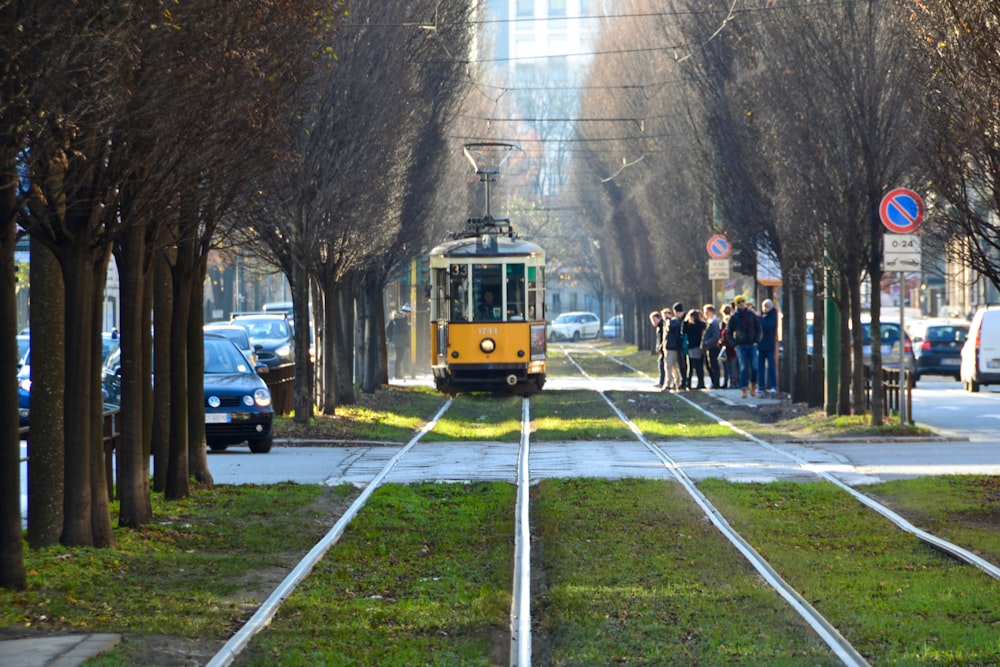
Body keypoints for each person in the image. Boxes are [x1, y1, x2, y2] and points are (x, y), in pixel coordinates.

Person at [725, 295, 763, 398]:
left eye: (743, 302)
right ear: (737, 304)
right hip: (741, 345)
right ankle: (744, 388)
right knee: (743, 368)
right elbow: (728, 333)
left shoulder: (752, 315)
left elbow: (759, 329)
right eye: (739, 302)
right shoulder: (734, 317)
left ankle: (753, 384)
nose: (742, 304)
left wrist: (756, 341)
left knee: (755, 367)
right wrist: (734, 344)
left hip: (752, 344)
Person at [757, 298, 779, 394]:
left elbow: (767, 325)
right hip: (761, 345)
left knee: (771, 366)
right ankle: (761, 386)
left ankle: (773, 385)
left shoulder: (773, 315)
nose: (764, 309)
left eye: (766, 307)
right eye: (763, 307)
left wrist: (760, 318)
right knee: (760, 367)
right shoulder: (762, 316)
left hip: (769, 345)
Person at [683, 309, 707, 389]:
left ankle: (688, 383)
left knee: (691, 366)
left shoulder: (688, 325)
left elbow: (683, 331)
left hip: (692, 347)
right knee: (699, 366)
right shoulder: (702, 324)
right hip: (699, 346)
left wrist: (686, 321)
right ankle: (701, 382)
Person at [386, 307, 411, 379]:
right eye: (408, 313)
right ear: (405, 312)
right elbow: (405, 330)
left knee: (398, 358)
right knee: (399, 358)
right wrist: (409, 327)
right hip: (401, 342)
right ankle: (397, 374)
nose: (409, 314)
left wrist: (391, 338)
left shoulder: (395, 319)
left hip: (397, 342)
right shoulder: (402, 319)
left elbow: (387, 329)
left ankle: (397, 373)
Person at [664, 304, 684, 390]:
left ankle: (668, 383)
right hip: (673, 346)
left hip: (672, 346)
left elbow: (670, 329)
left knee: (669, 366)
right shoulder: (677, 320)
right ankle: (677, 382)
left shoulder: (674, 321)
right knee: (673, 366)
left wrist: (668, 321)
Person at [701, 304, 722, 389]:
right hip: (708, 347)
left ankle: (716, 382)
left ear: (711, 312)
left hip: (713, 347)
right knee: (709, 365)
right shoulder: (708, 322)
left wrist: (707, 342)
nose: (705, 314)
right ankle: (713, 381)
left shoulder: (714, 322)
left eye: (706, 312)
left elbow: (716, 335)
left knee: (714, 365)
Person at [719, 303, 737, 388]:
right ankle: (731, 382)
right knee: (731, 366)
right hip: (730, 347)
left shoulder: (725, 324)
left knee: (729, 366)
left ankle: (730, 382)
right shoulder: (732, 320)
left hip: (728, 347)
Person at [649, 310, 666, 389]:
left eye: (654, 320)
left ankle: (663, 382)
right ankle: (662, 381)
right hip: (662, 349)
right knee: (661, 364)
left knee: (663, 364)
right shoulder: (658, 327)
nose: (653, 322)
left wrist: (661, 346)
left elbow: (664, 338)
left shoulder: (663, 325)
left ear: (659, 318)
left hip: (665, 349)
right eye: (652, 320)